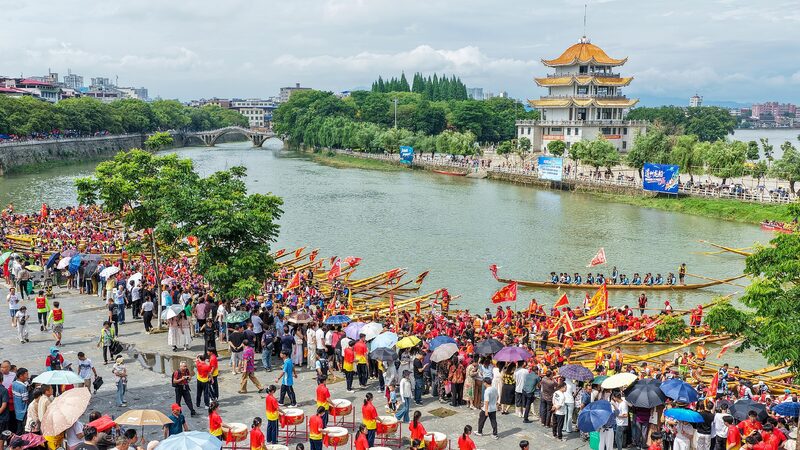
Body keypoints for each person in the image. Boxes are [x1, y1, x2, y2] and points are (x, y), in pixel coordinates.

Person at [12, 368, 30, 434]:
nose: (28, 376)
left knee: (19, 428)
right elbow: (25, 400)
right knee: (21, 430)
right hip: (23, 411)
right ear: (21, 376)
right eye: (26, 374)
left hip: (17, 410)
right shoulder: (22, 387)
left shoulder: (14, 383)